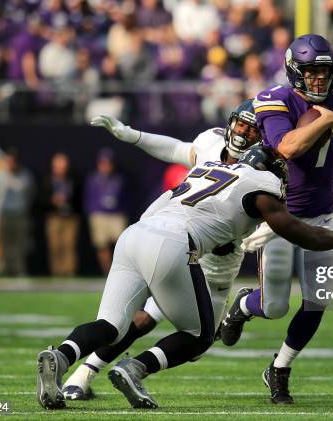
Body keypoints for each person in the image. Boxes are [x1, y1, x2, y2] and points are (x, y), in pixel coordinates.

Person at [36, 144, 333, 410]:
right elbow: (299, 233)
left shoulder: (207, 168)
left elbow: (158, 209)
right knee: (200, 336)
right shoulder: (262, 184)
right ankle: (135, 369)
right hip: (172, 243)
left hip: (135, 235)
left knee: (110, 325)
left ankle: (61, 356)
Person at [220, 16, 333, 404]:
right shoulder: (274, 99)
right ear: (293, 72)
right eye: (310, 72)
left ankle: (279, 368)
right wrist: (329, 118)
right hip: (280, 220)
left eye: (324, 72)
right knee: (273, 307)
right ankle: (243, 305)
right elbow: (286, 147)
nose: (318, 80)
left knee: (319, 300)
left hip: (320, 215)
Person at [62, 100, 262, 400]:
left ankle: (234, 315)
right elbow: (176, 150)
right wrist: (133, 135)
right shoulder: (211, 143)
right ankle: (87, 373)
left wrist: (267, 232)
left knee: (199, 341)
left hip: (219, 258)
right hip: (183, 242)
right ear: (231, 122)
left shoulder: (262, 166)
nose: (244, 133)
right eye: (241, 124)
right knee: (149, 319)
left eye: (252, 128)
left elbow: (281, 211)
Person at [0, 148, 35, 276]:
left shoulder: (26, 176)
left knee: (21, 243)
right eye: (8, 161)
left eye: (13, 161)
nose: (10, 164)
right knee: (4, 243)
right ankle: (4, 269)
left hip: (20, 214)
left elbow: (30, 195)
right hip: (3, 214)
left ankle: (20, 269)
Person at [83, 148, 127, 274]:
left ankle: (120, 272)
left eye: (108, 163)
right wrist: (92, 211)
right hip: (99, 215)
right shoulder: (93, 179)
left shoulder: (120, 179)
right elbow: (88, 197)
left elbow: (128, 198)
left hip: (116, 215)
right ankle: (107, 272)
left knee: (121, 245)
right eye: (103, 163)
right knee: (101, 245)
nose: (106, 166)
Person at [41, 152, 81, 276]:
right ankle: (56, 272)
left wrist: (68, 201)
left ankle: (69, 271)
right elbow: (40, 199)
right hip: (54, 216)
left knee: (69, 244)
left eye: (63, 165)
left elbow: (78, 198)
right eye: (58, 165)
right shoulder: (47, 180)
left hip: (70, 217)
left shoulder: (72, 179)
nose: (61, 168)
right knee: (55, 245)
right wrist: (52, 200)